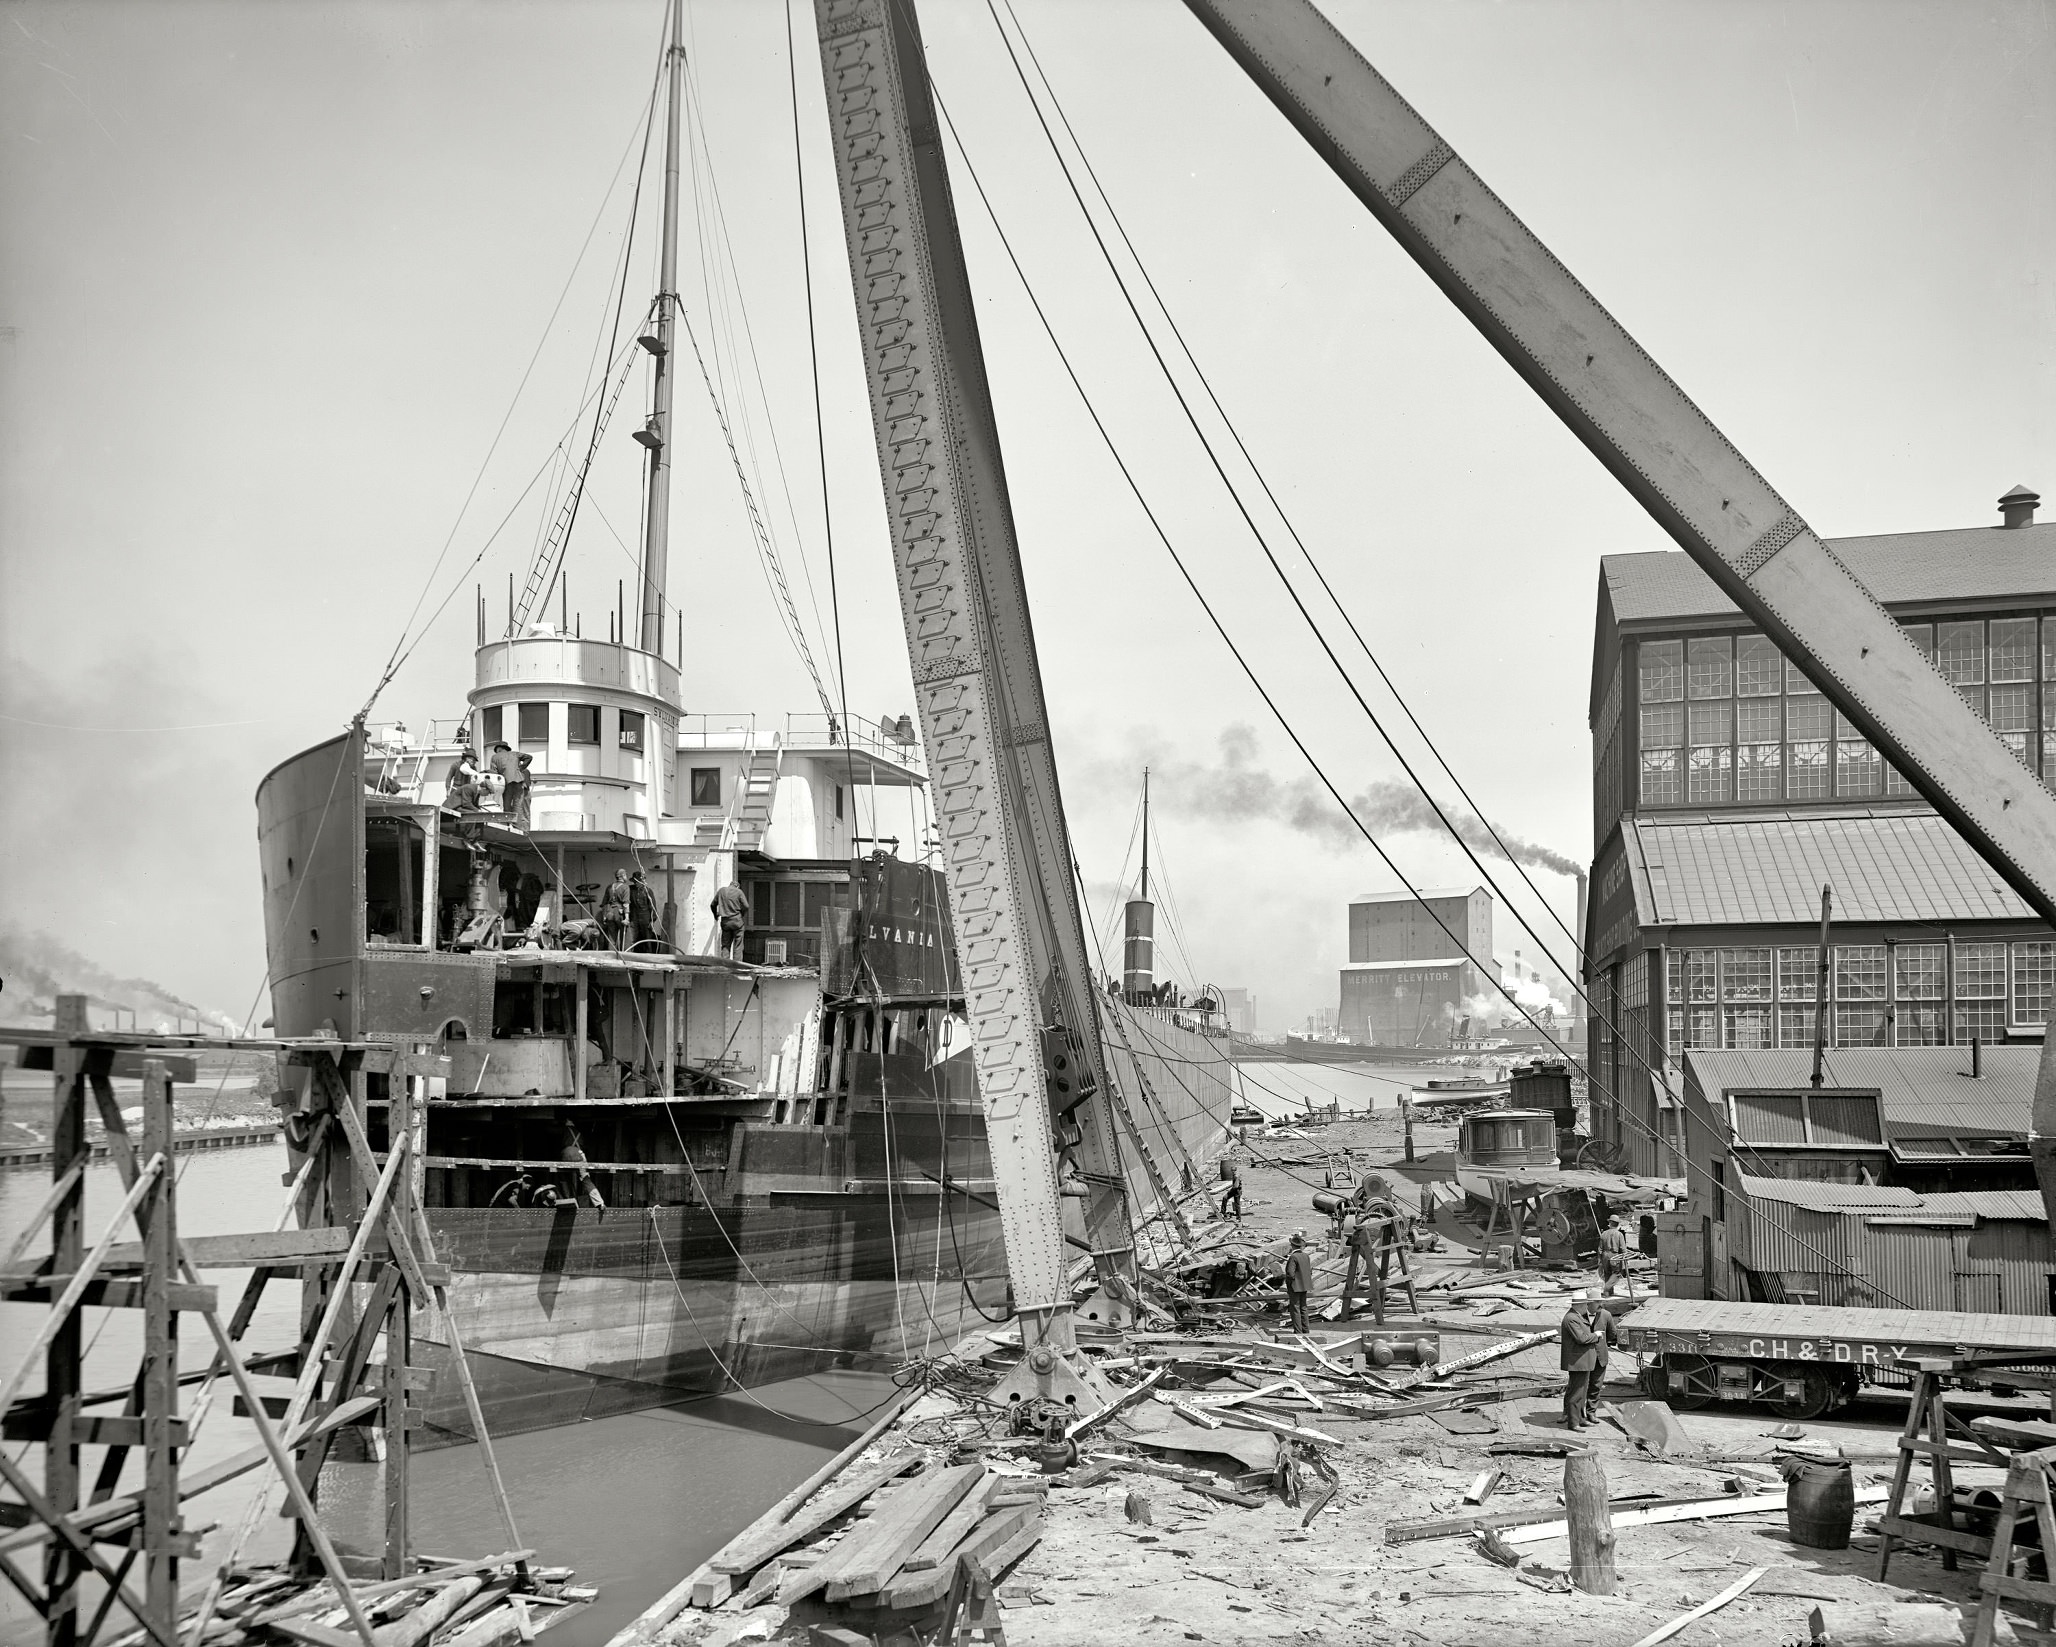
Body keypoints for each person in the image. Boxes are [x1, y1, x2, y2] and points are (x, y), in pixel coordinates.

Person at [488, 742, 532, 829]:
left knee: (507, 805)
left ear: (499, 749)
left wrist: (486, 772)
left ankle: (508, 826)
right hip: (519, 781)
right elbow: (529, 757)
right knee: (518, 806)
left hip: (506, 782)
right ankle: (518, 828)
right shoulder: (515, 754)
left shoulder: (495, 757)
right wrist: (521, 768)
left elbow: (494, 772)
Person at [1284, 1230, 1314, 1334]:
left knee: (1295, 1309)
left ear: (1292, 1245)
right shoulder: (1306, 1256)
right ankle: (1306, 1330)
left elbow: (1290, 1273)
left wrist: (1289, 1283)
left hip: (1295, 1286)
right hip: (1305, 1286)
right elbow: (1308, 1271)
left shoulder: (1293, 1257)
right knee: (1304, 1308)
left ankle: (1298, 1331)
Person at [1598, 1213, 1636, 1298]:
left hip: (1605, 1255)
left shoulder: (1603, 1233)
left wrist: (1600, 1260)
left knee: (1607, 1273)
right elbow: (1623, 1249)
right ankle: (1607, 1288)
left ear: (1610, 1223)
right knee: (1617, 1273)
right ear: (1617, 1224)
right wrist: (1626, 1259)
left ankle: (1608, 1293)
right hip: (1615, 1256)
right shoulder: (1619, 1234)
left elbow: (1599, 1249)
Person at [710, 880, 749, 958]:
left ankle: (725, 966)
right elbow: (746, 906)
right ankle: (736, 966)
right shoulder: (739, 892)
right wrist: (742, 914)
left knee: (725, 945)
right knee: (738, 945)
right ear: (737, 886)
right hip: (737, 921)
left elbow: (712, 905)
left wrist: (715, 915)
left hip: (725, 922)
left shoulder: (721, 891)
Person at [600, 868, 633, 948]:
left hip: (609, 913)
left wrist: (604, 916)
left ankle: (611, 956)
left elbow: (604, 903)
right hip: (619, 913)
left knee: (611, 938)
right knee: (625, 937)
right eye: (625, 875)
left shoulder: (609, 887)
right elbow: (626, 903)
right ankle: (624, 956)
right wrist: (627, 918)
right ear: (623, 876)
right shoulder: (625, 887)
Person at [628, 870, 657, 946]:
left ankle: (648, 954)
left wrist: (652, 920)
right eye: (635, 882)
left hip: (645, 918)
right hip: (634, 918)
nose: (636, 883)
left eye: (637, 881)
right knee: (634, 939)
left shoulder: (648, 891)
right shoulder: (630, 890)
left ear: (642, 881)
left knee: (647, 939)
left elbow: (652, 906)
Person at [1220, 1156, 1244, 1222]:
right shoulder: (1235, 1175)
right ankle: (1223, 1212)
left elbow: (1236, 1186)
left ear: (1235, 1171)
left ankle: (1238, 1218)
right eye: (1232, 1171)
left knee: (1237, 1204)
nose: (1233, 1172)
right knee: (1225, 1198)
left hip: (1236, 1191)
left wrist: (1230, 1191)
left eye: (1234, 1171)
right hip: (1234, 1190)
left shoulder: (1236, 1176)